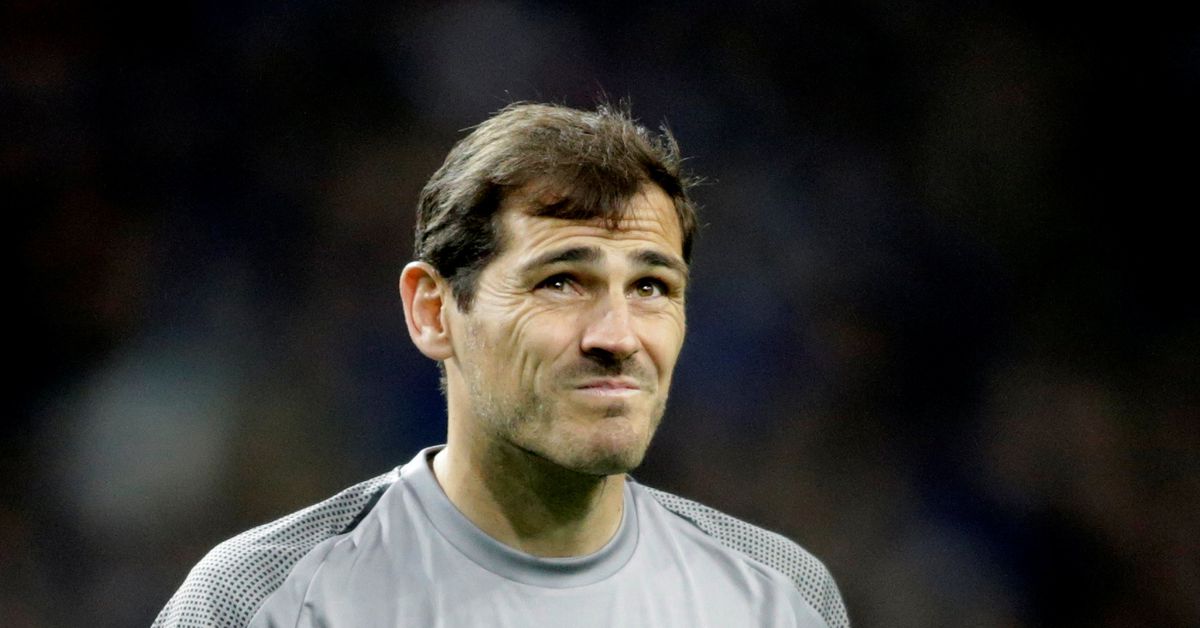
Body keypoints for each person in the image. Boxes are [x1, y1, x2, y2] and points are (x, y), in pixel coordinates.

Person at [153, 102, 849, 627]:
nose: (618, 336)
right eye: (561, 281)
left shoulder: (778, 600)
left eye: (651, 287)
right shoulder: (266, 602)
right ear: (433, 310)